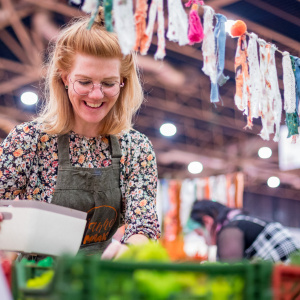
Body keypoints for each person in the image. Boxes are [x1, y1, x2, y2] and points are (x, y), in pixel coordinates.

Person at [0, 7, 160, 259]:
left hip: (104, 280)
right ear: (64, 78)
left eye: (108, 83)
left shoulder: (136, 147)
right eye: (84, 82)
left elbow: (144, 224)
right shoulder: (28, 140)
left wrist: (128, 251)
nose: (96, 95)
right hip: (37, 285)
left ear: (123, 83)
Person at [189, 200, 300, 262]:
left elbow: (231, 276)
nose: (203, 240)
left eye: (200, 234)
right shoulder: (242, 221)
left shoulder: (230, 230)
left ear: (207, 221)